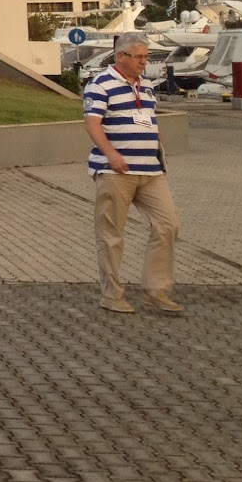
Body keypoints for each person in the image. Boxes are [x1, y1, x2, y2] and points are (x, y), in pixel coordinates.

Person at [83, 32, 181, 314]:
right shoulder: (100, 84)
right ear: (121, 56)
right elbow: (92, 124)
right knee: (111, 233)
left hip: (150, 171)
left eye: (146, 57)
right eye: (138, 56)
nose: (143, 62)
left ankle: (156, 289)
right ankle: (111, 294)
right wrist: (111, 154)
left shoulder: (146, 85)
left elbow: (151, 121)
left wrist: (160, 153)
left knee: (168, 225)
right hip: (115, 172)